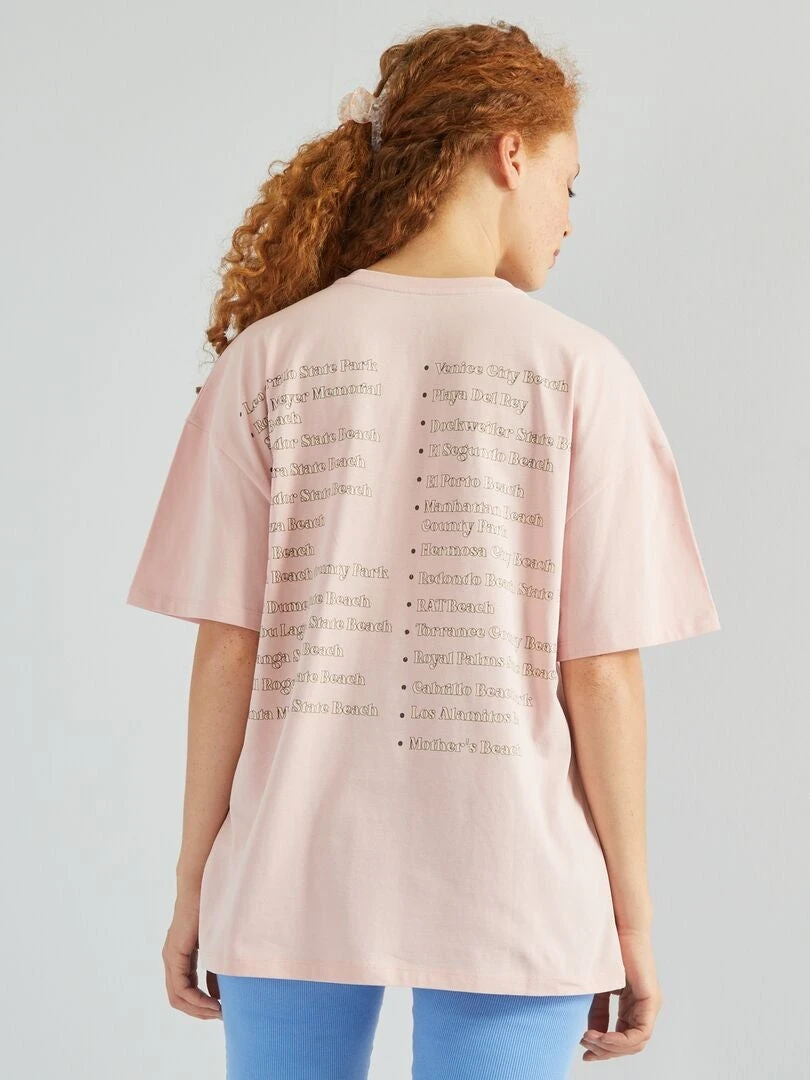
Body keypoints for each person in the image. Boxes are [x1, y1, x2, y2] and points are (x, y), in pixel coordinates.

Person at [125, 19, 721, 1080]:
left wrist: (193, 885)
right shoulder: (579, 371)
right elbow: (600, 670)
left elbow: (228, 648)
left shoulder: (266, 361)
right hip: (516, 884)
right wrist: (632, 921)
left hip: (288, 876)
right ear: (510, 152)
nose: (570, 217)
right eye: (570, 182)